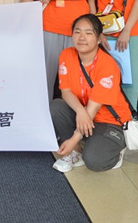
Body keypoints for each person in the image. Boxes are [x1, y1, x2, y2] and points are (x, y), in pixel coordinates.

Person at [51, 14, 131, 173]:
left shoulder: (107, 65)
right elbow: (65, 91)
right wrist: (80, 111)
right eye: (77, 32)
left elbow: (93, 109)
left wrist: (73, 139)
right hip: (84, 115)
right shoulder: (66, 55)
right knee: (57, 106)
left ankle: (116, 150)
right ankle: (76, 152)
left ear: (99, 38)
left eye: (88, 33)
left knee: (94, 161)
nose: (81, 38)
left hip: (109, 121)